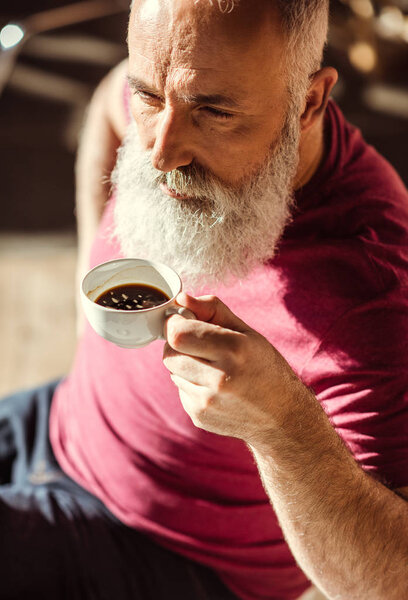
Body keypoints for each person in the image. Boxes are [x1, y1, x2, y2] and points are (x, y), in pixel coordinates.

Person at [1, 0, 408, 599]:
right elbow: (108, 105)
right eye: (151, 96)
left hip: (170, 559)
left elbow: (389, 581)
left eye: (213, 112)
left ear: (310, 102)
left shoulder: (370, 291)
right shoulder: (171, 90)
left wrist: (281, 425)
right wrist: (93, 265)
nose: (161, 153)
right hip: (58, 423)